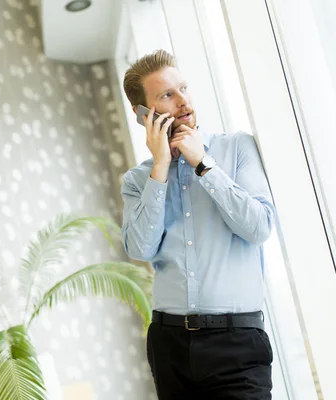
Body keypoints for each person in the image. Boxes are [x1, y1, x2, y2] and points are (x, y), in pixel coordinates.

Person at [120, 49, 276, 399]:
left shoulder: (237, 149)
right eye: (167, 95)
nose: (183, 101)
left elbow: (259, 227)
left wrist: (203, 164)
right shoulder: (137, 180)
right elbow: (140, 247)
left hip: (237, 344)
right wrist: (159, 168)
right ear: (142, 114)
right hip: (169, 344)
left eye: (184, 88)